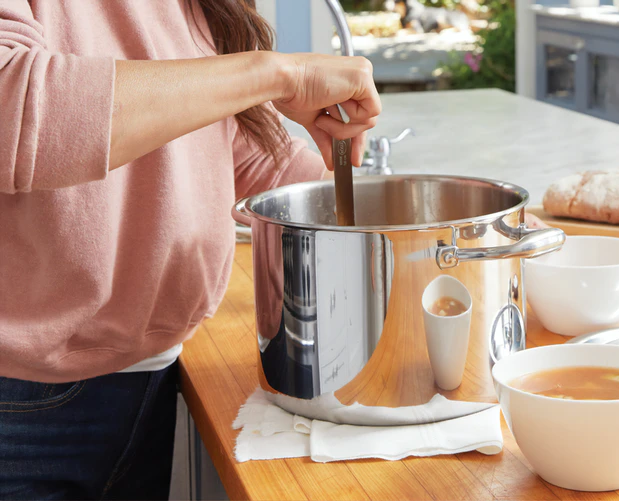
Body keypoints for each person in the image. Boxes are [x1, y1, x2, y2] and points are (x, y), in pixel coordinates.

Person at [0, 1, 381, 499]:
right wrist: (273, 72)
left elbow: (240, 150)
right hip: (16, 395)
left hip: (149, 374)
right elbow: (16, 113)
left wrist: (441, 224)